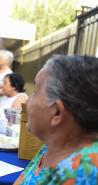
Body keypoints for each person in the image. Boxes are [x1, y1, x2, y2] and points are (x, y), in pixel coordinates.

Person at [14, 55, 98, 185]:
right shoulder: (52, 146)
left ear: (57, 112)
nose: (28, 100)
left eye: (35, 92)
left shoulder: (82, 171)